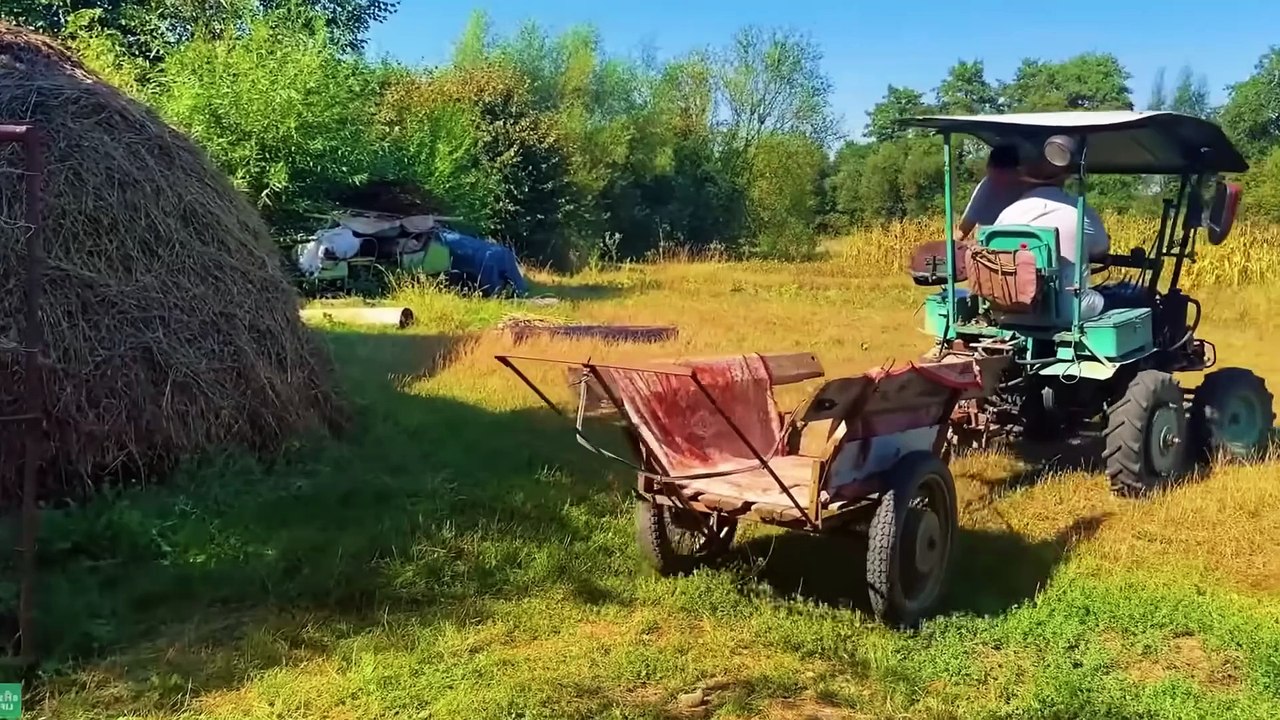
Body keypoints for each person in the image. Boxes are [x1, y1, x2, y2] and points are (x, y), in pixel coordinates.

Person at [993, 157, 1111, 320]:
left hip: (1013, 311)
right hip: (1069, 309)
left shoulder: (1007, 215)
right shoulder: (1079, 211)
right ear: (1063, 178)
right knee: (1133, 296)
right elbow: (1101, 249)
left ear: (1027, 180)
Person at [957, 143, 1026, 242]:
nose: (999, 181)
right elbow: (963, 230)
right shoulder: (986, 187)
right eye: (995, 174)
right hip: (988, 247)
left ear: (1017, 171)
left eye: (1003, 173)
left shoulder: (1028, 189)